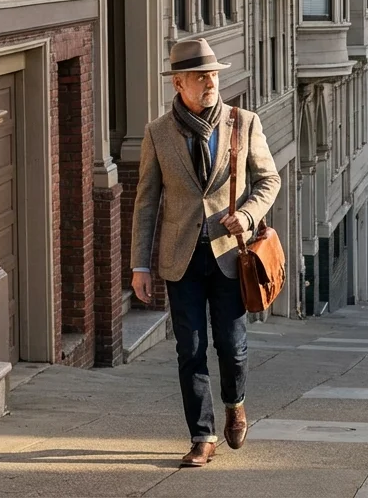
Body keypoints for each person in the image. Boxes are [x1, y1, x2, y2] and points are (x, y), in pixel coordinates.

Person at [130, 38, 281, 468]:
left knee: (232, 348)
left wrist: (248, 216)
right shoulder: (158, 133)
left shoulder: (243, 122)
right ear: (179, 83)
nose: (209, 82)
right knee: (190, 349)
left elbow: (269, 180)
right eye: (199, 76)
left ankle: (236, 403)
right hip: (181, 259)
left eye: (213, 74)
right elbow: (146, 202)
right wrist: (140, 264)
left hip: (231, 257)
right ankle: (202, 435)